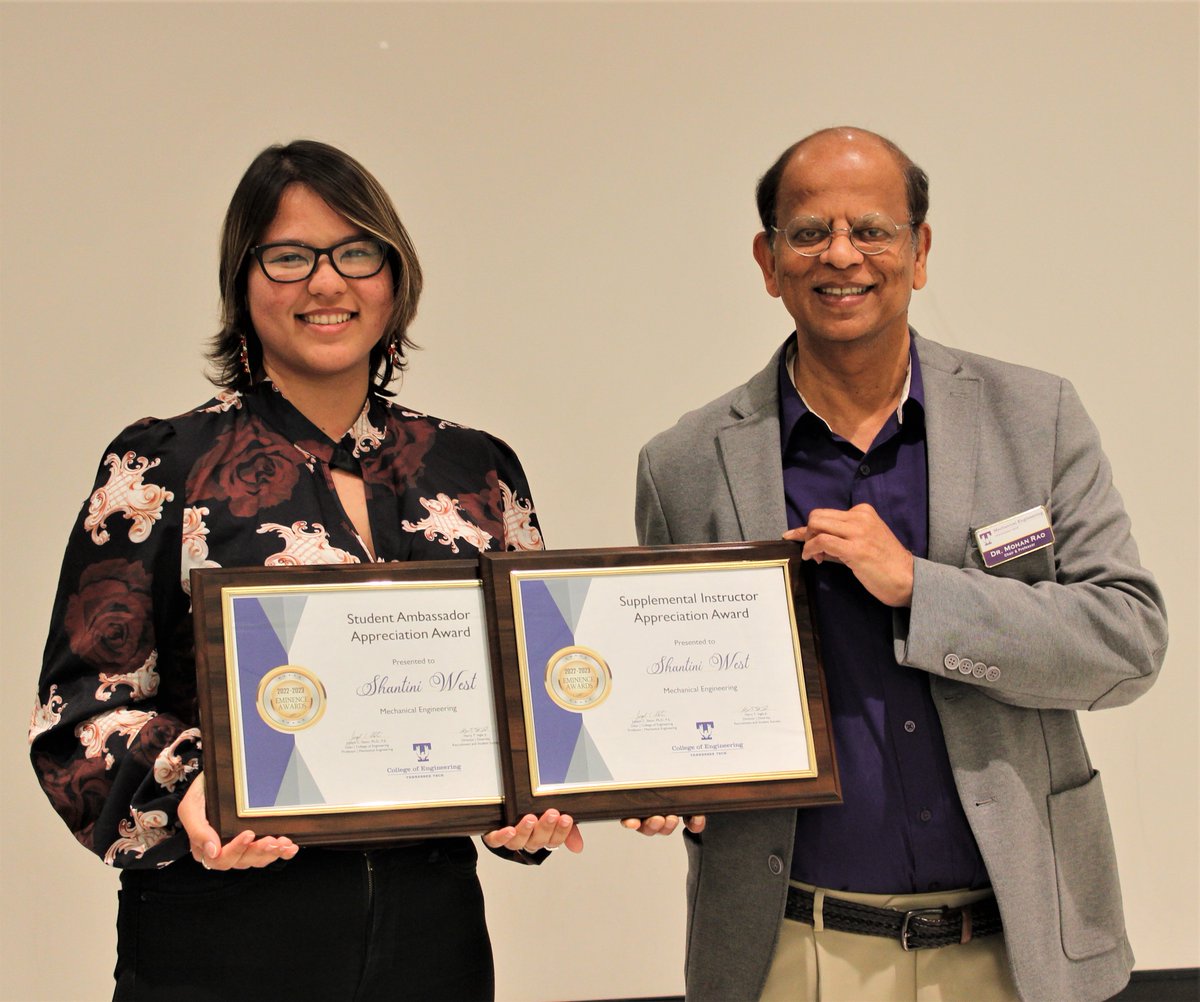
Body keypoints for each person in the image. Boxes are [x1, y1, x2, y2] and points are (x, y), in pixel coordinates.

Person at [29, 139, 582, 1002]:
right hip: (219, 939)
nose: (327, 283)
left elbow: (536, 695)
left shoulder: (475, 471)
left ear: (394, 277)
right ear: (242, 283)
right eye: (289, 258)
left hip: (431, 944)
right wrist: (189, 785)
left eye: (356, 252)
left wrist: (539, 802)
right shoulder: (161, 465)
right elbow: (78, 715)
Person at [628, 127, 1166, 1002]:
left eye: (872, 229)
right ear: (768, 261)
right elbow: (670, 685)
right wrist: (657, 773)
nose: (842, 254)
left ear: (919, 252)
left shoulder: (1037, 417)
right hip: (796, 949)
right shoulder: (685, 463)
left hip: (1018, 943)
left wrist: (923, 589)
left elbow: (1128, 643)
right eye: (809, 233)